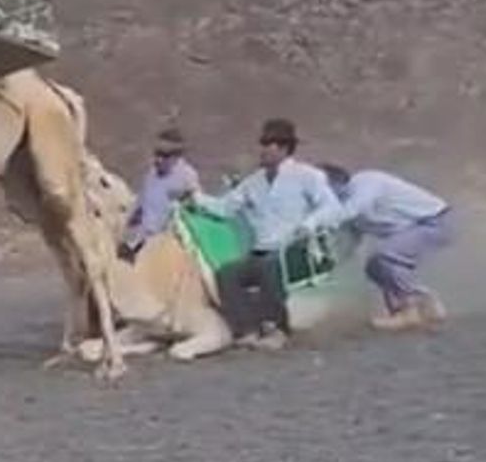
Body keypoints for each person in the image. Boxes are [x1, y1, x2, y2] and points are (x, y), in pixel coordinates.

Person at [190, 118, 341, 350]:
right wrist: (195, 198)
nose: (262, 149)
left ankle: (277, 328)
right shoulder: (254, 182)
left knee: (270, 267)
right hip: (261, 251)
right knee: (227, 274)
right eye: (262, 143)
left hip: (292, 249)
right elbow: (225, 207)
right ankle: (246, 329)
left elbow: (331, 206)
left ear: (284, 148)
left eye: (269, 144)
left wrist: (309, 224)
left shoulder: (307, 176)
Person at [319, 163, 453, 331]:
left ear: (334, 183)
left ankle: (408, 312)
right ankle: (423, 301)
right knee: (374, 267)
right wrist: (328, 269)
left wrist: (317, 223)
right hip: (412, 229)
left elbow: (355, 208)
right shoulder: (345, 208)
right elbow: (348, 244)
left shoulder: (365, 181)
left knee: (385, 256)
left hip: (434, 221)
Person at [117, 127, 200, 263]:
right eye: (156, 153)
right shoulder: (152, 174)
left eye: (164, 155)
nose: (158, 160)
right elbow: (139, 207)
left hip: (165, 248)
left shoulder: (187, 178)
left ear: (177, 157)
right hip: (140, 241)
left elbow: (194, 211)